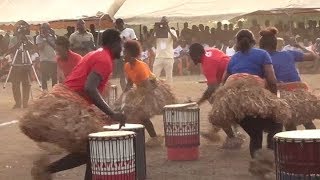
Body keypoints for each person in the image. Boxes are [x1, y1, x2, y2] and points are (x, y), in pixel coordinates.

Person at [21, 29, 126, 180]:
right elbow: (90, 88)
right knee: (93, 149)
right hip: (70, 104)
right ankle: (46, 169)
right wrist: (112, 113)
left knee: (91, 148)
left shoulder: (95, 54)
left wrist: (101, 113)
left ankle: (46, 170)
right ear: (114, 43)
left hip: (67, 100)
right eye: (120, 43)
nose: (122, 47)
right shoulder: (104, 60)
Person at [222, 29, 282, 158]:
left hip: (237, 105)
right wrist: (275, 100)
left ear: (237, 43)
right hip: (255, 101)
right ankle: (269, 157)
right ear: (253, 41)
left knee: (255, 135)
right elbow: (272, 81)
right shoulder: (262, 54)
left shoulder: (232, 59)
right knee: (277, 124)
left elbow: (224, 83)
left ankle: (258, 164)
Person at [115, 40, 176, 146]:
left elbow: (148, 87)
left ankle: (153, 138)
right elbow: (129, 84)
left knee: (141, 114)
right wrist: (122, 97)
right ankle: (146, 137)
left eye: (126, 52)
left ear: (132, 54)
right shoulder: (127, 66)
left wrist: (139, 102)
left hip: (152, 89)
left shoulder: (140, 66)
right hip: (140, 89)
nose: (123, 55)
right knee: (128, 111)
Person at [259, 27, 318, 130]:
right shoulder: (289, 53)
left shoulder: (262, 60)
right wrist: (299, 45)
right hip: (300, 92)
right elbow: (313, 56)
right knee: (308, 122)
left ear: (261, 46)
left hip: (281, 94)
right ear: (275, 44)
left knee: (289, 125)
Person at [189, 43, 243, 148]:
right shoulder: (211, 51)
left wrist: (198, 102)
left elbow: (211, 88)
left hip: (235, 80)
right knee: (216, 102)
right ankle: (216, 130)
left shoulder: (207, 64)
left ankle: (232, 137)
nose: (192, 59)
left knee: (220, 111)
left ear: (196, 55)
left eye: (192, 56)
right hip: (235, 76)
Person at [6, 20, 34, 109]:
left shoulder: (29, 37)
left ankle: (25, 102)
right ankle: (18, 103)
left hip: (26, 63)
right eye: (19, 27)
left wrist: (25, 39)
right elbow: (10, 50)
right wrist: (19, 42)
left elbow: (33, 48)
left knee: (26, 83)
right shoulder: (13, 38)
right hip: (16, 64)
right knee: (15, 84)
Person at [152, 16, 177, 84]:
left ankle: (169, 91)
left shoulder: (172, 31)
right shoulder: (157, 32)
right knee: (154, 76)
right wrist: (154, 31)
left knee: (169, 77)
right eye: (162, 22)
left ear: (168, 23)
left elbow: (176, 40)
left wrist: (168, 30)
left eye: (165, 22)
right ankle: (154, 90)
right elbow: (150, 41)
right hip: (159, 56)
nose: (163, 24)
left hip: (169, 57)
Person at [115, 18, 137, 91]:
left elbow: (135, 41)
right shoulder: (116, 33)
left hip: (129, 55)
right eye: (117, 26)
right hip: (120, 56)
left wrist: (125, 41)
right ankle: (125, 91)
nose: (119, 27)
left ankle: (132, 89)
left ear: (122, 23)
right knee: (122, 74)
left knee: (130, 73)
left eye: (119, 25)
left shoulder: (130, 31)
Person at [36, 23, 57, 91]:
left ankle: (54, 92)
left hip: (53, 59)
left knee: (54, 77)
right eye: (42, 28)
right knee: (44, 77)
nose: (43, 30)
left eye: (45, 28)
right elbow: (40, 48)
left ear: (49, 29)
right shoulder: (38, 37)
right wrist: (44, 39)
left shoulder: (53, 36)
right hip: (44, 60)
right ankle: (45, 92)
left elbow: (55, 47)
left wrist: (50, 37)